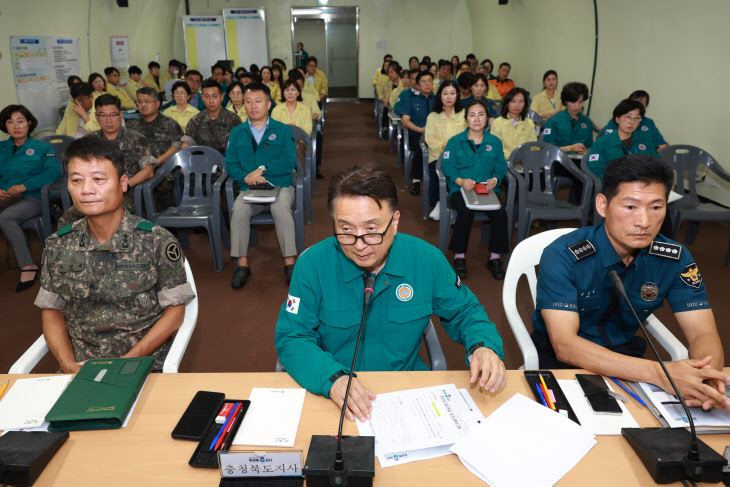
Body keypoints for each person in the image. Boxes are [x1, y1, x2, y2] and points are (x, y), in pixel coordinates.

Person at [274, 164, 506, 422]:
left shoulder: (425, 259)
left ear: (394, 221)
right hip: (333, 389)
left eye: (372, 230)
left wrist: (482, 347)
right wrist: (333, 379)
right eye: (346, 229)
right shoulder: (312, 266)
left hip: (406, 389)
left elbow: (465, 311)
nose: (359, 245)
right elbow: (293, 336)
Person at [530, 154, 730, 411]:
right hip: (563, 361)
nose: (644, 222)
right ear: (603, 205)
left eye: (656, 207)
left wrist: (706, 379)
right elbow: (565, 346)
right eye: (630, 207)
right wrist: (661, 374)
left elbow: (703, 332)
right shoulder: (563, 254)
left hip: (628, 359)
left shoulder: (675, 259)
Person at [35, 136, 195, 373]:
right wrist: (67, 364)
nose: (87, 190)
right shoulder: (58, 245)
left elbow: (175, 312)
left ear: (122, 183)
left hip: (142, 366)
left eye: (98, 179)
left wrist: (124, 363)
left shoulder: (156, 241)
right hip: (79, 368)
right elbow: (52, 310)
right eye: (76, 180)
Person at [226, 82, 298, 289]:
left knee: (280, 207)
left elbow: (289, 161)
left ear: (268, 104)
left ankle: (289, 263)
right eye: (248, 102)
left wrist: (263, 170)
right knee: (238, 209)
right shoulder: (237, 132)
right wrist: (247, 179)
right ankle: (241, 264)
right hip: (250, 189)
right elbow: (230, 164)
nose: (253, 106)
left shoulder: (282, 130)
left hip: (280, 186)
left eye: (258, 101)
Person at [58, 94, 157, 227]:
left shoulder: (136, 139)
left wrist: (126, 186)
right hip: (94, 191)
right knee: (67, 220)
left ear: (121, 115)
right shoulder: (90, 141)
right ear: (97, 117)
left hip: (126, 193)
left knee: (111, 217)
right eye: (103, 115)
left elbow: (149, 171)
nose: (108, 120)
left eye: (113, 115)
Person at [441, 99, 510, 280]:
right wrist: (461, 181)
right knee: (465, 211)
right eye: (472, 115)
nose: (477, 119)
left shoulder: (494, 142)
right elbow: (447, 166)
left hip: (487, 190)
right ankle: (459, 257)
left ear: (487, 118)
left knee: (500, 212)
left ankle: (495, 257)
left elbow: (501, 166)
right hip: (460, 190)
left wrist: (495, 179)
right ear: (466, 119)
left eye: (481, 114)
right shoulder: (455, 141)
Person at [0, 105, 62, 292]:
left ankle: (27, 266)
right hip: (5, 197)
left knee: (6, 217)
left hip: (33, 198)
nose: (16, 126)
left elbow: (54, 171)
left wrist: (25, 185)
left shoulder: (43, 147)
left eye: (20, 121)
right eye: (10, 122)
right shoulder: (1, 147)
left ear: (29, 123)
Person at [126, 87, 185, 210]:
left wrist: (157, 161)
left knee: (162, 184)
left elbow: (176, 146)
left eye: (147, 101)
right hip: (136, 168)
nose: (143, 105)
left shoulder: (170, 124)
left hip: (162, 167)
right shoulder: (131, 125)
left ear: (157, 103)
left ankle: (166, 222)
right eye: (140, 102)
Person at [587, 99, 657, 180]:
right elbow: (596, 170)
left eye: (637, 118)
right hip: (613, 187)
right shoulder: (602, 143)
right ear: (617, 119)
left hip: (641, 187)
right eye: (628, 117)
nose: (632, 122)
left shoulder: (645, 141)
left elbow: (656, 165)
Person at [424, 80, 466, 214]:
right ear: (440, 96)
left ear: (457, 95)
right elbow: (430, 140)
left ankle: (455, 201)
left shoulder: (465, 114)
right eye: (445, 93)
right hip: (439, 156)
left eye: (452, 93)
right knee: (442, 170)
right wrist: (448, 148)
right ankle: (441, 202)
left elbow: (469, 137)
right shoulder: (432, 116)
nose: (449, 97)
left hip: (461, 156)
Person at [182, 79, 242, 155]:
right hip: (204, 163)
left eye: (215, 96)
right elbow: (186, 145)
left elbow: (241, 147)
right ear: (202, 98)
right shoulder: (196, 120)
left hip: (228, 163)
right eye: (207, 96)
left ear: (222, 97)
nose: (211, 101)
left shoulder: (233, 120)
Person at [401, 70, 436, 196]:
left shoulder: (439, 100)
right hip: (417, 134)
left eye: (429, 81)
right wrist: (420, 129)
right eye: (423, 82)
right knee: (421, 148)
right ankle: (416, 181)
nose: (427, 84)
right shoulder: (411, 100)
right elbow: (405, 121)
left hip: (436, 135)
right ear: (418, 85)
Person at [601, 90, 669, 151]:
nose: (632, 122)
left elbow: (660, 142)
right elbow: (607, 141)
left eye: (642, 101)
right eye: (635, 100)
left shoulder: (649, 122)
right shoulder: (617, 120)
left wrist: (662, 147)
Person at [543, 82, 593, 155]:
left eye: (580, 102)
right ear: (566, 101)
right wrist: (569, 148)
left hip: (581, 163)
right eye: (573, 102)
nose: (577, 106)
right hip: (558, 161)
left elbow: (591, 148)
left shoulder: (587, 122)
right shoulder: (553, 121)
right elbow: (547, 149)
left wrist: (586, 151)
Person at [489, 87, 537, 160]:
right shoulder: (497, 123)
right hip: (503, 162)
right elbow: (496, 148)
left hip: (524, 163)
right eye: (513, 101)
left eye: (520, 102)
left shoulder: (530, 123)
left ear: (525, 104)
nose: (517, 105)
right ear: (507, 104)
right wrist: (514, 157)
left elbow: (533, 147)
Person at [377, 62, 401, 136]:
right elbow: (380, 95)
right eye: (388, 73)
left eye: (392, 72)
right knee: (386, 108)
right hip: (390, 106)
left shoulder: (403, 83)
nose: (390, 75)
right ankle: (385, 129)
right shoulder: (387, 83)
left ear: (397, 72)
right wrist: (384, 100)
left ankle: (398, 128)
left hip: (400, 106)